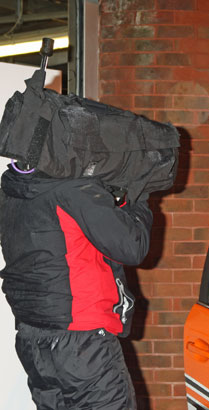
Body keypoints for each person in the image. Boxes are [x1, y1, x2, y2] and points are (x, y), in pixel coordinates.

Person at [0, 167, 153, 409]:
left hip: (34, 340)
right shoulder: (71, 190)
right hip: (82, 341)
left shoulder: (11, 189)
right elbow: (132, 246)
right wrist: (140, 196)